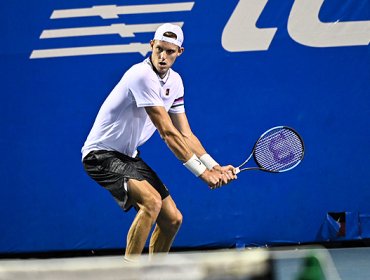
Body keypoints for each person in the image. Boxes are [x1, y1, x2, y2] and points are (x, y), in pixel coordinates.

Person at [81, 23, 237, 260]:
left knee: (172, 219)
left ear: (180, 52)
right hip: (100, 155)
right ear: (151, 45)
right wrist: (203, 174)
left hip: (128, 155)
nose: (163, 57)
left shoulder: (175, 82)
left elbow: (185, 134)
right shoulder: (141, 75)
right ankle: (129, 276)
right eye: (159, 49)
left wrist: (213, 166)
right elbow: (167, 132)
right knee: (151, 203)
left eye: (170, 52)